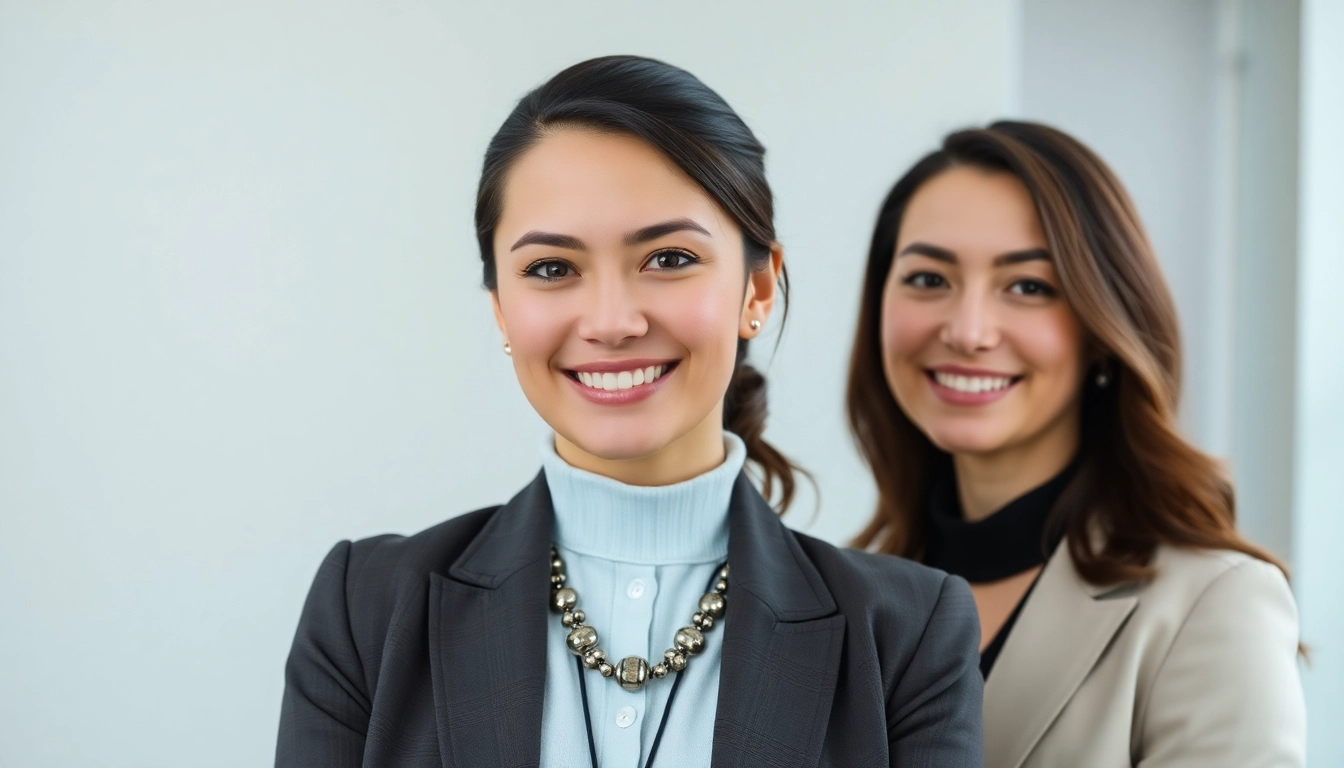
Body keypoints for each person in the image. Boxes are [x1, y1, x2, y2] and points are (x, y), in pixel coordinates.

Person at [276, 55, 984, 768]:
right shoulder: (366, 609)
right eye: (552, 269)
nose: (612, 322)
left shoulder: (907, 635)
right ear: (501, 309)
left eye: (669, 258)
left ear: (758, 288)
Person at [845, 120, 1306, 767]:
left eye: (1029, 287)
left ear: (1102, 326)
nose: (969, 330)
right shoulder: (835, 598)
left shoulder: (1211, 605)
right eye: (928, 279)